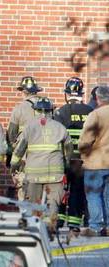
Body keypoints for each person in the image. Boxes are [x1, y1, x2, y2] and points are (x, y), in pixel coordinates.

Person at [10, 97, 72, 231]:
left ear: (35, 111)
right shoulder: (60, 127)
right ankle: (50, 228)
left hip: (34, 173)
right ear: (51, 111)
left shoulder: (29, 128)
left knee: (34, 202)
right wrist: (66, 165)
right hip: (55, 173)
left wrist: (13, 165)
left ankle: (35, 228)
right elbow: (68, 150)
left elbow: (19, 150)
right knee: (53, 202)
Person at [54, 77, 93, 236]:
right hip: (83, 160)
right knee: (77, 191)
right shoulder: (90, 111)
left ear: (66, 93)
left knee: (61, 190)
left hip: (64, 159)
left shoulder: (60, 112)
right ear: (81, 93)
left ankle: (57, 221)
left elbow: (56, 139)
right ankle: (74, 225)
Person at [78, 86, 109, 237]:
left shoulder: (95, 115)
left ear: (97, 98)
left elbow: (85, 140)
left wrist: (83, 156)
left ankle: (96, 226)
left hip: (95, 163)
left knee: (94, 195)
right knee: (108, 195)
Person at [7, 76, 42, 201]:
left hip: (25, 154)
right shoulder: (48, 107)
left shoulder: (19, 109)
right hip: (44, 153)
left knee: (23, 184)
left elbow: (11, 133)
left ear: (23, 91)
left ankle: (24, 213)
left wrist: (13, 148)